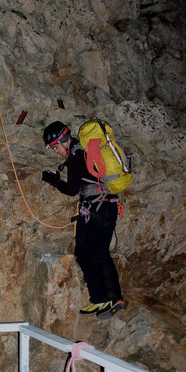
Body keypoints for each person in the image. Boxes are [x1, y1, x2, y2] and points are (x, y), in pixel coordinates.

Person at [41, 122, 125, 319]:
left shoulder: (76, 155)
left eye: (55, 146)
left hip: (96, 209)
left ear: (64, 140)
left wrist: (52, 180)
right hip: (108, 206)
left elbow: (71, 190)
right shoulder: (86, 150)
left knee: (85, 251)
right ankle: (111, 298)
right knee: (98, 251)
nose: (56, 151)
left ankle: (102, 298)